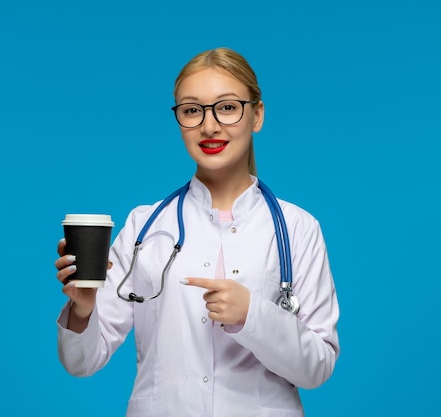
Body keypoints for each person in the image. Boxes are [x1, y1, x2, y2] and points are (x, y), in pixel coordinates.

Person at [55, 47, 340, 417]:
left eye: (227, 107)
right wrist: (83, 308)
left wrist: (252, 315)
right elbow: (82, 362)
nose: (209, 126)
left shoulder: (298, 228)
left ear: (257, 115)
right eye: (192, 110)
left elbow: (317, 368)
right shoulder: (145, 225)